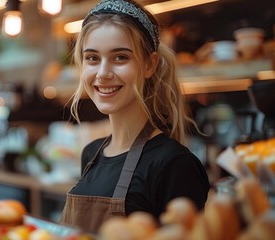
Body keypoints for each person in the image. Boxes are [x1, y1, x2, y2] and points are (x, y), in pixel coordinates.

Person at [59, 0, 210, 233]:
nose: (103, 73)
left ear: (150, 65)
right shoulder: (91, 154)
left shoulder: (174, 164)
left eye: (120, 57)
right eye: (92, 58)